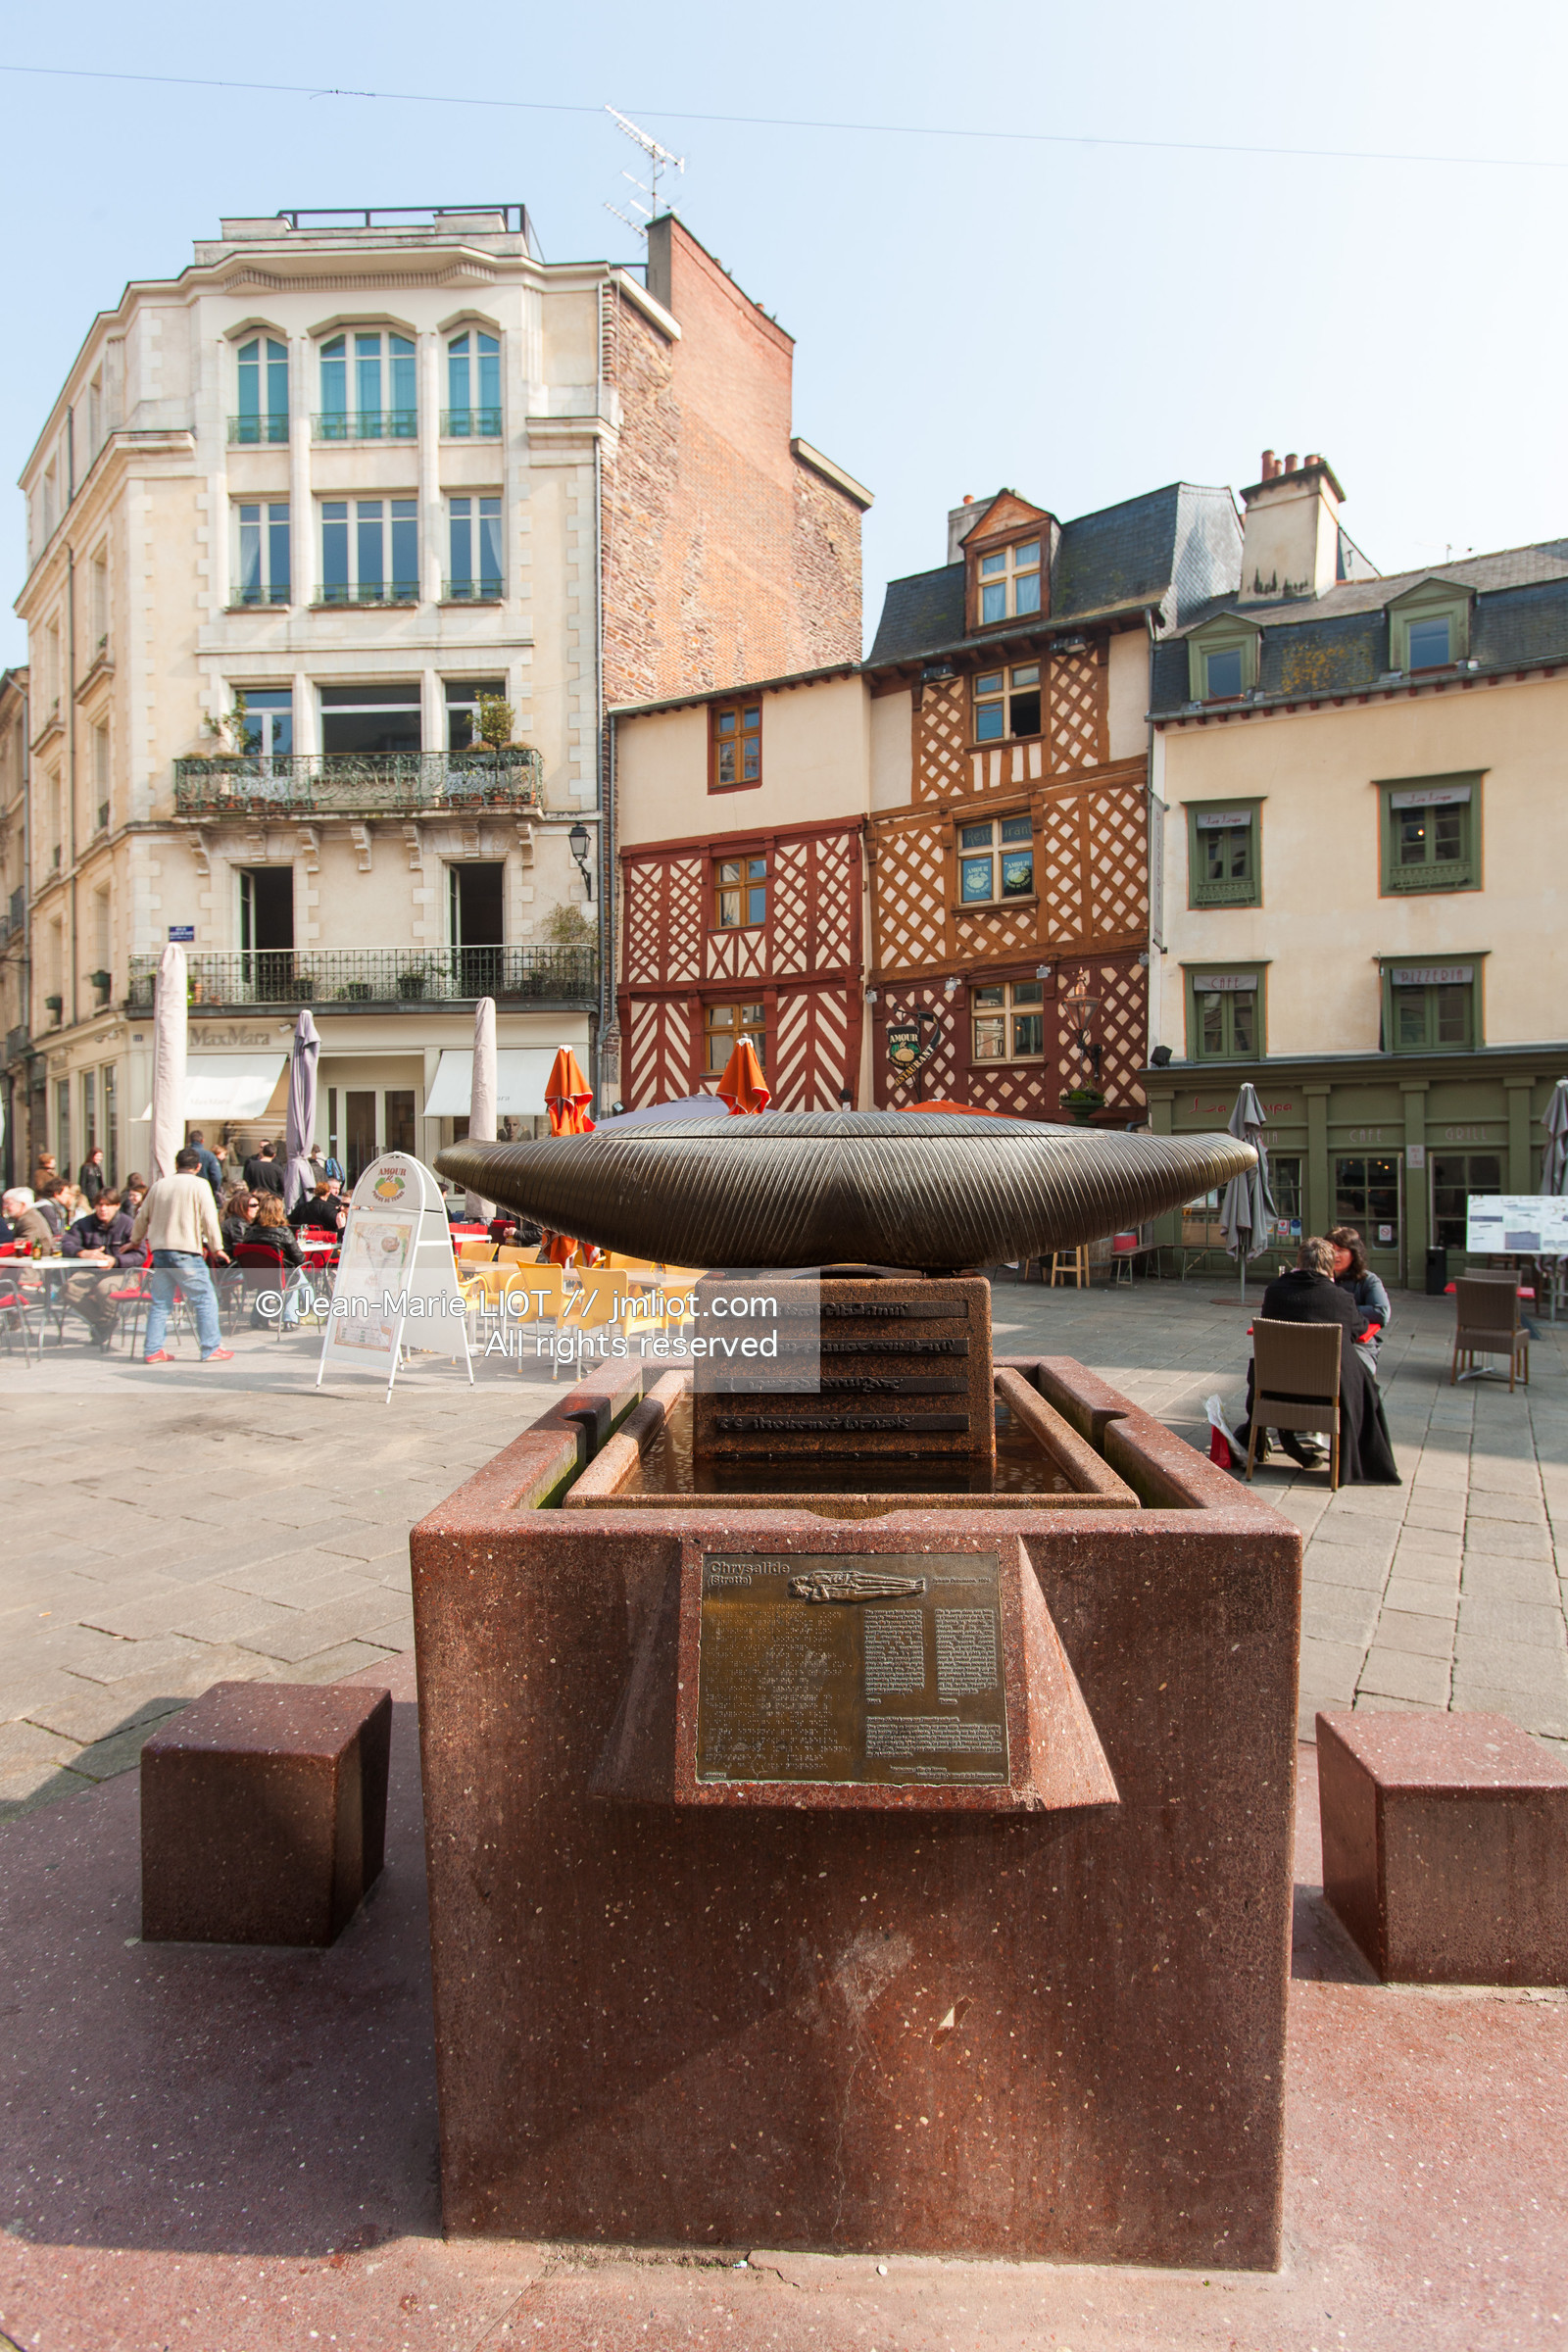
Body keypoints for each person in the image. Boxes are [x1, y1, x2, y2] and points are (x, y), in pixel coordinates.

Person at [1230, 1236, 1399, 1485]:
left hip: (1274, 1389)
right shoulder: (1339, 1298)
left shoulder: (1275, 1291)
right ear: (1329, 1267)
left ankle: (1284, 1438)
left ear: (1299, 1261)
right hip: (1326, 1393)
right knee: (1363, 1382)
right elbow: (1360, 1329)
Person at [128, 1147, 233, 1365]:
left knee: (160, 1302)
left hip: (160, 1250)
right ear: (198, 1166)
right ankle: (211, 1347)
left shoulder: (159, 1185)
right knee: (204, 1298)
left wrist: (135, 1240)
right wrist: (217, 1247)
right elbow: (209, 1219)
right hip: (186, 1250)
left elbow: (142, 1215)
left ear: (176, 1165)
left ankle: (153, 1350)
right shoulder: (200, 1185)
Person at [60, 1189, 142, 1345]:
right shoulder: (83, 1224)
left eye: (108, 1205)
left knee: (105, 1289)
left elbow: (140, 1255)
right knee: (68, 1289)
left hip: (122, 1272)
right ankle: (104, 1322)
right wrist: (81, 1252)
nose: (103, 1209)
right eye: (99, 1205)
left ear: (117, 1205)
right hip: (91, 1271)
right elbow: (66, 1244)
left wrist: (116, 1260)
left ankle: (103, 1324)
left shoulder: (129, 1224)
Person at [1329, 1225, 1392, 1377]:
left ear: (1354, 1253)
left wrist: (1342, 1310)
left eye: (1341, 1250)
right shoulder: (1318, 1278)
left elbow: (1381, 1312)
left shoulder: (1367, 1280)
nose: (1335, 1255)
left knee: (1356, 1374)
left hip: (1358, 1342)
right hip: (1325, 1343)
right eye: (1331, 1250)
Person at [239, 1192, 305, 1328]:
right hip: (280, 1277)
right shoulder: (283, 1232)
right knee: (295, 1278)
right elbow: (300, 1259)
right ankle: (289, 1320)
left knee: (266, 1280)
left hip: (256, 1277)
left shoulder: (250, 1231)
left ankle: (257, 1319)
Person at [1, 1188, 59, 1254]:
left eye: (8, 1203)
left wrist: (8, 1242)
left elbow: (29, 1243)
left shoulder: (29, 1220)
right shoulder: (26, 1217)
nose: (5, 1207)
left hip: (38, 1260)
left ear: (22, 1204)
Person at [186, 1129, 224, 1199]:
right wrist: (213, 1191)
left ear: (189, 1140)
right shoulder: (209, 1156)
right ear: (203, 1140)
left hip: (186, 1191)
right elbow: (216, 1177)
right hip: (204, 1193)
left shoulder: (184, 1154)